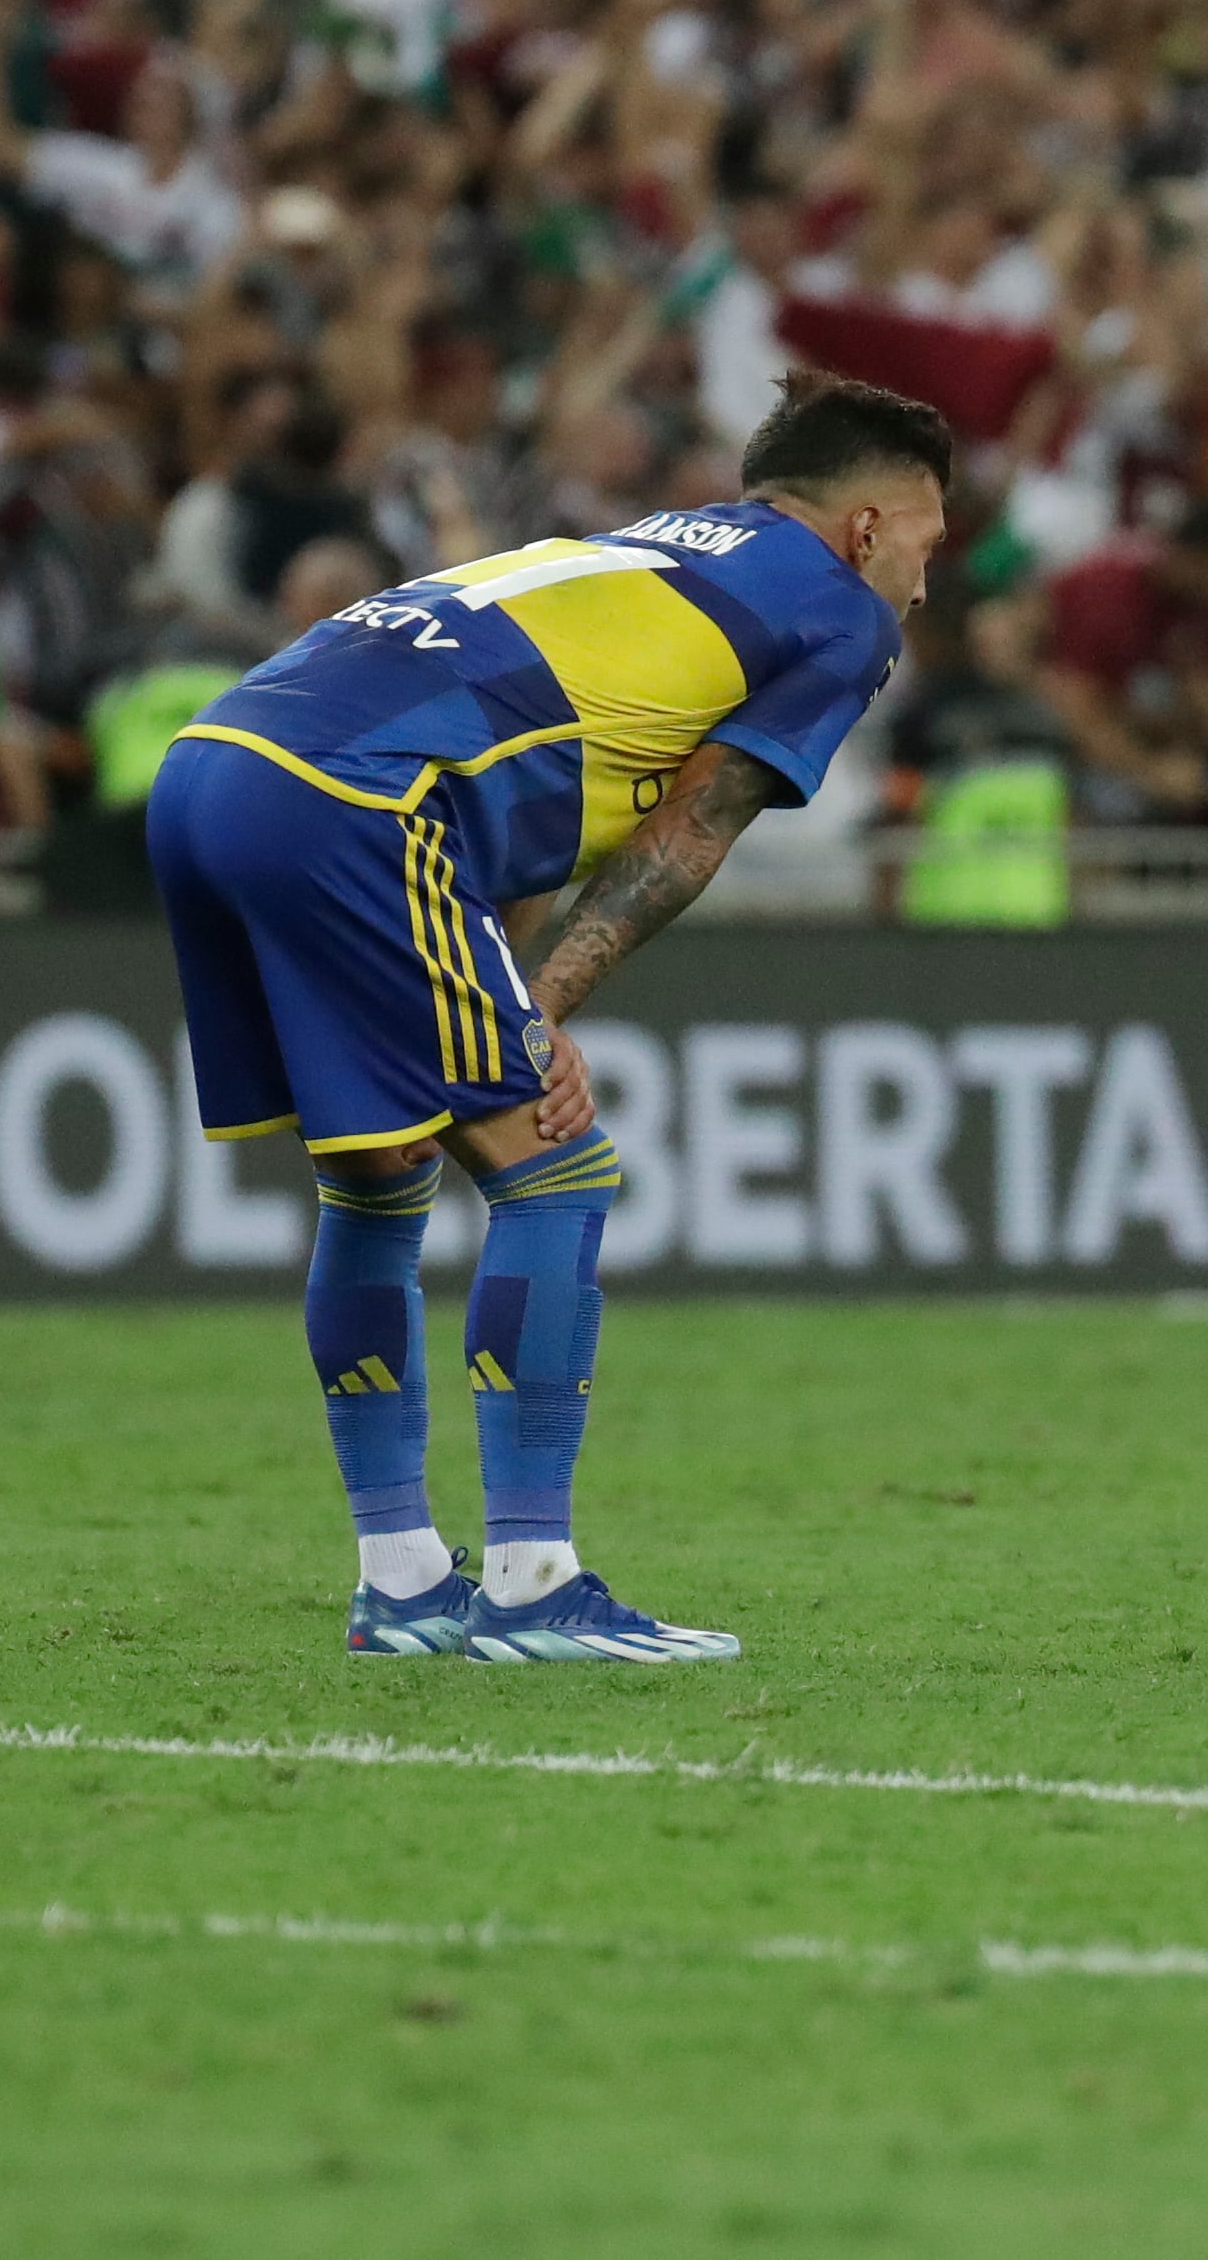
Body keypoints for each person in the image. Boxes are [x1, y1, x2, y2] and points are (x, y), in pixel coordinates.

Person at [146, 371, 950, 1664]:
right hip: (360, 799)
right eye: (926, 542)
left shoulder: (645, 558)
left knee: (381, 1173)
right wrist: (544, 1018)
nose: (923, 579)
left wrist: (518, 999)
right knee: (559, 1172)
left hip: (217, 765)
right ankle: (528, 1580)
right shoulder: (837, 615)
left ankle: (402, 1579)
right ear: (864, 528)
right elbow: (693, 830)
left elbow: (520, 821)